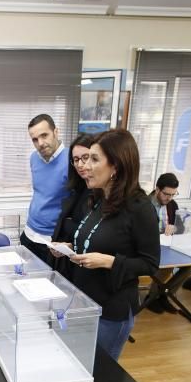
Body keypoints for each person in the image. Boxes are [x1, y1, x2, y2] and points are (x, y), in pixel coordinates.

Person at [59, 129, 160, 360]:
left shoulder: (140, 208)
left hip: (111, 312)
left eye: (94, 159)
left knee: (102, 377)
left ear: (116, 166)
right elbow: (95, 241)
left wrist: (110, 262)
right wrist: (70, 249)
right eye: (85, 159)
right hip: (85, 302)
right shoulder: (96, 200)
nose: (86, 166)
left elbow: (151, 264)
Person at [20, 114, 70, 265]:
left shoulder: (72, 160)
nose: (40, 143)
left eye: (44, 135)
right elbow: (40, 193)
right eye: (35, 139)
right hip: (29, 233)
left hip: (52, 240)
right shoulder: (34, 158)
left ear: (56, 132)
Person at [51, 134, 95, 275]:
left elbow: (91, 233)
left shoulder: (101, 193)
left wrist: (69, 227)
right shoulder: (77, 188)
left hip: (88, 270)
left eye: (86, 157)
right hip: (67, 263)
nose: (80, 165)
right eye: (76, 160)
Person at [146, 173, 183, 313]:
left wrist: (175, 227)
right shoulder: (144, 204)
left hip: (167, 247)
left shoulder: (172, 205)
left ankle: (164, 294)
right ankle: (151, 298)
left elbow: (181, 227)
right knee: (164, 266)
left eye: (173, 194)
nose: (169, 198)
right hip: (148, 248)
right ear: (157, 190)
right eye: (166, 194)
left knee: (189, 267)